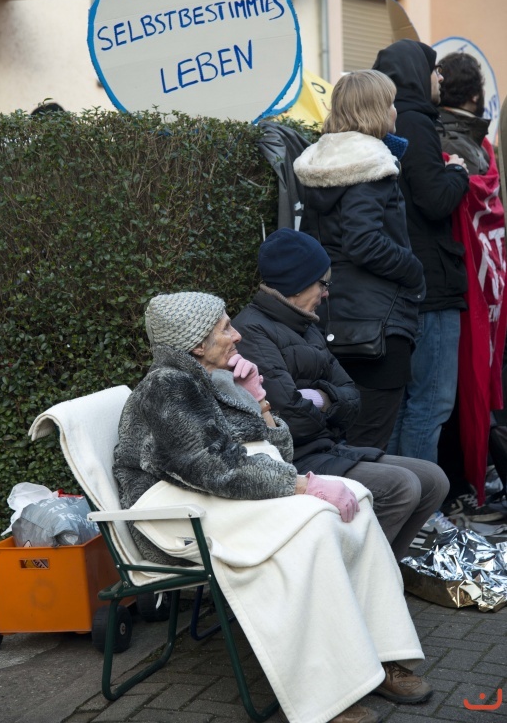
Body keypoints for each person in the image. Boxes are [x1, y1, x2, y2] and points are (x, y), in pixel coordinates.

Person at [113, 291, 432, 723]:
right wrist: (303, 485)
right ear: (196, 345)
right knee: (315, 523)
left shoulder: (209, 377)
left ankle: (383, 655)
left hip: (207, 493)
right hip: (169, 513)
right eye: (225, 328)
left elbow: (273, 449)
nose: (237, 333)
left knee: (355, 498)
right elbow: (217, 469)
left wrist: (256, 401)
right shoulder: (166, 387)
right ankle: (329, 693)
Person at [232, 228, 449, 561]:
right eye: (322, 283)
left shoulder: (305, 325)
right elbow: (286, 417)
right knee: (403, 487)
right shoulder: (252, 330)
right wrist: (328, 400)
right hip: (296, 460)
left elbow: (352, 398)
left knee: (434, 480)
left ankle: (382, 573)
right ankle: (352, 578)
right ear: (296, 281)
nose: (326, 294)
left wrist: (317, 398)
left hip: (329, 448)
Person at [295, 69, 425, 451]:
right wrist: (413, 271)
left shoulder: (320, 163)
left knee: (343, 447)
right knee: (368, 449)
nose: (395, 111)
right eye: (389, 102)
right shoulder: (371, 163)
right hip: (377, 327)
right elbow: (364, 241)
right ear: (374, 110)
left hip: (331, 319)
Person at [372, 40, 469, 479]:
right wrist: (457, 173)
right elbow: (434, 200)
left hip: (398, 287)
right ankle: (422, 513)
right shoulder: (417, 122)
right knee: (430, 402)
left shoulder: (386, 122)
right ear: (416, 73)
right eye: (435, 69)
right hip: (430, 284)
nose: (441, 78)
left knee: (402, 404)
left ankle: (397, 505)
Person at [435, 52, 507, 524]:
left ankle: (463, 486)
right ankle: (477, 480)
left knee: (457, 392)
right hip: (489, 283)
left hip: (459, 283)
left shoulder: (439, 140)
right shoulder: (483, 146)